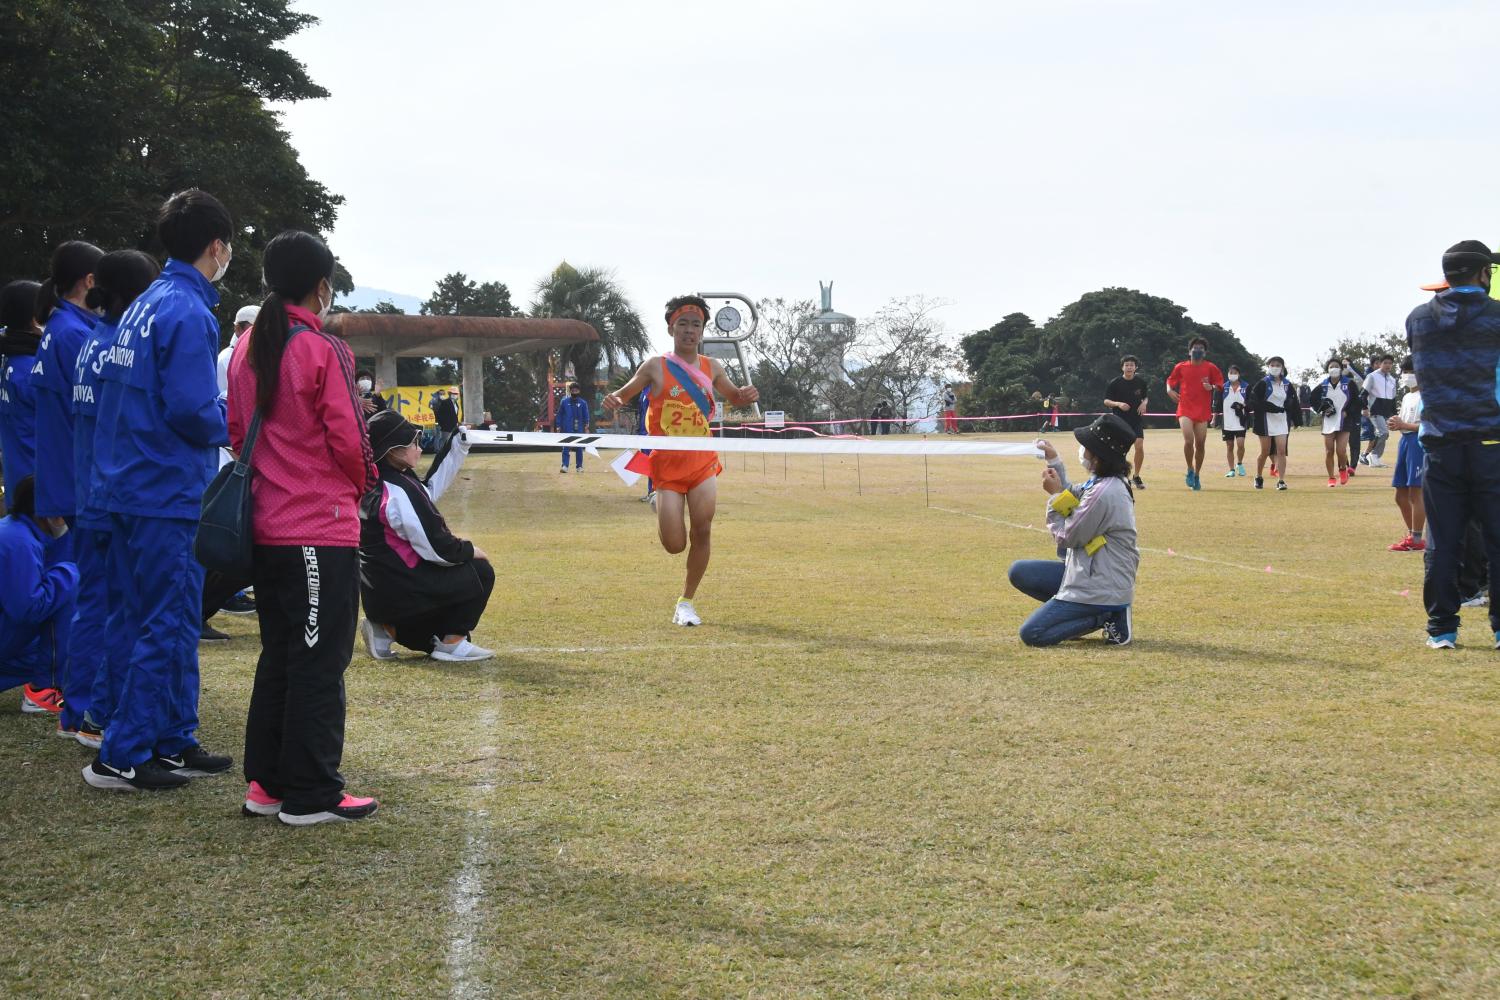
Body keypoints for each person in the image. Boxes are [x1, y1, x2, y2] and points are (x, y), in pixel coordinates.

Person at [225, 229, 379, 824]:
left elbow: (238, 434)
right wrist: (363, 485)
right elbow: (349, 437)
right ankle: (312, 792)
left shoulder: (245, 349)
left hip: (267, 526)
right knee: (318, 662)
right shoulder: (321, 349)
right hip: (318, 527)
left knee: (282, 656)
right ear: (322, 286)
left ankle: (266, 784)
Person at [85, 189, 236, 793]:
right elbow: (194, 411)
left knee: (133, 617)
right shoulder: (189, 312)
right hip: (165, 491)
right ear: (216, 247)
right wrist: (243, 415)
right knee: (168, 622)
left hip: (125, 485)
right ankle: (123, 753)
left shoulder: (148, 302)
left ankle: (170, 739)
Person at [603, 294, 759, 626]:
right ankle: (659, 501)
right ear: (672, 328)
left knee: (703, 530)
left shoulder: (712, 367)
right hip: (666, 466)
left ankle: (686, 602)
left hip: (702, 462)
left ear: (702, 331)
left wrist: (744, 396)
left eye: (696, 325)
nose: (689, 331)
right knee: (675, 544)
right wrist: (614, 399)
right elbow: (625, 393)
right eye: (683, 324)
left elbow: (733, 396)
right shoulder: (655, 366)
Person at [62, 249, 159, 748]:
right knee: (120, 613)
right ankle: (94, 712)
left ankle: (87, 709)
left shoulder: (92, 343)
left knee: (99, 607)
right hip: (113, 497)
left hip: (91, 491)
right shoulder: (121, 345)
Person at [1405, 240, 1500, 650]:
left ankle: (1442, 628)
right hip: (1490, 441)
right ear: (1484, 274)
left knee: (1443, 539)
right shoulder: (1496, 316)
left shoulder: (1418, 320)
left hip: (1440, 444)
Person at [359, 410, 494, 662]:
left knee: (426, 639)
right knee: (481, 570)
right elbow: (438, 548)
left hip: (381, 592)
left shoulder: (380, 482)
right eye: (413, 443)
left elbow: (427, 490)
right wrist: (470, 550)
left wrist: (458, 444)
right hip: (401, 591)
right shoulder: (397, 492)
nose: (419, 449)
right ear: (392, 450)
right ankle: (453, 642)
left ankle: (385, 629)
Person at [1006, 414, 1138, 646]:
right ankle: (1094, 610)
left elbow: (1068, 536)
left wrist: (1055, 497)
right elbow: (1073, 494)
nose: (1082, 450)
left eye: (1087, 446)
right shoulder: (1103, 482)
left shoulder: (1104, 493)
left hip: (1101, 583)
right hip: (1092, 573)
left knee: (1033, 634)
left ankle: (1106, 616)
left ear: (1098, 455)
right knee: (1020, 571)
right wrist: (1053, 460)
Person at [31, 241, 103, 544]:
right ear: (89, 281)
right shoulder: (75, 334)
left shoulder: (61, 326)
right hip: (75, 476)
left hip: (63, 472)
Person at [0, 477, 79, 713]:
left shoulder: (15, 530)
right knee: (67, 586)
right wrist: (69, 573)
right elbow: (29, 609)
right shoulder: (19, 541)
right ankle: (43, 689)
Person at [0, 281, 43, 505]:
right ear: (36, 320)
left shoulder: (8, 353)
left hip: (16, 478)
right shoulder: (33, 370)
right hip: (38, 487)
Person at [1164, 336, 1223, 490]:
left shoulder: (1211, 367)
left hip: (1203, 410)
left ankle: (1197, 474)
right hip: (1185, 408)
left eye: (1201, 348)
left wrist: (1212, 387)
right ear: (1189, 351)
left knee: (1201, 444)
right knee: (1189, 441)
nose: (1197, 350)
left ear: (1205, 352)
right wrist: (1169, 390)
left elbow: (1220, 384)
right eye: (1195, 348)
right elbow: (1170, 381)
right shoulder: (1181, 366)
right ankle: (1189, 469)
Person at [1386, 364, 1425, 552]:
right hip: (1405, 443)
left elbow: (1429, 425)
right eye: (1405, 371)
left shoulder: (1427, 395)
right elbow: (1403, 423)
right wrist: (1395, 423)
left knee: (1416, 492)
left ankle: (1417, 538)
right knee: (1400, 494)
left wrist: (1405, 425)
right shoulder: (1407, 396)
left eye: (1412, 371)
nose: (1408, 375)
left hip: (1418, 444)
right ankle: (1411, 534)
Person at [1249, 356, 1299, 491]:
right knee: (1265, 451)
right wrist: (1270, 407)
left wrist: (1295, 418)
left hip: (1282, 420)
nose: (1275, 367)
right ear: (1268, 367)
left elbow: (1293, 401)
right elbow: (1254, 401)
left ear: (1282, 367)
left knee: (1281, 451)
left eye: (1278, 365)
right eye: (1272, 365)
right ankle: (1258, 476)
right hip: (1265, 421)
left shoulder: (1287, 384)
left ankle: (1281, 480)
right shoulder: (1263, 383)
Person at [1309, 358, 1359, 487]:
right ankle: (1331, 477)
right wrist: (1321, 409)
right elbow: (1313, 399)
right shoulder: (1323, 385)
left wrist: (1348, 411)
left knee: (1341, 450)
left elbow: (1356, 401)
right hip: (1329, 421)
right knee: (1329, 451)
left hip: (1345, 421)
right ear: (1327, 370)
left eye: (1336, 366)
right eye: (1331, 367)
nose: (1334, 369)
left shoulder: (1349, 384)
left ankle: (1343, 469)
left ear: (1341, 369)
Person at [1103, 355, 1149, 489]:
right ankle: (1120, 476)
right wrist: (1118, 404)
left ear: (1136, 367)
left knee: (1139, 446)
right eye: (1127, 365)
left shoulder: (1141, 382)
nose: (1129, 367)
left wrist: (1144, 404)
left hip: (1136, 420)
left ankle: (1136, 476)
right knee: (1120, 450)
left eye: (1132, 365)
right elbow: (1106, 401)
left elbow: (1145, 397)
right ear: (1122, 367)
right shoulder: (1115, 383)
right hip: (1120, 421)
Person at [1214, 364, 1251, 478]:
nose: (1233, 375)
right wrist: (1214, 418)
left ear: (1239, 374)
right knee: (1229, 446)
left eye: (1235, 373)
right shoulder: (1222, 387)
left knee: (1240, 445)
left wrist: (1243, 405)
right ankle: (1231, 470)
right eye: (1231, 373)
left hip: (1241, 422)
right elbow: (1217, 404)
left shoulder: (1246, 387)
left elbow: (1251, 402)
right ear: (1228, 374)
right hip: (1227, 423)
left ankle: (1239, 464)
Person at [1361, 354, 1398, 468]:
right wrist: (1364, 408)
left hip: (1386, 411)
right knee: (1383, 432)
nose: (1387, 365)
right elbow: (1362, 394)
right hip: (1374, 410)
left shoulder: (1392, 380)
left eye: (1390, 363)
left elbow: (1393, 399)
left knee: (1383, 435)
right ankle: (1373, 456)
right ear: (1380, 364)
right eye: (1385, 363)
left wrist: (1395, 414)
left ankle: (1371, 457)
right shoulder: (1372, 376)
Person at [555, 380, 590, 472]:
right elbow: (559, 414)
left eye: (576, 390)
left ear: (579, 391)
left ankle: (579, 467)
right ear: (570, 391)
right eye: (573, 390)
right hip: (567, 428)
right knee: (566, 447)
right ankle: (565, 466)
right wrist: (558, 426)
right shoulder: (564, 402)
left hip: (579, 428)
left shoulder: (583, 403)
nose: (574, 392)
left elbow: (586, 414)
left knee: (579, 447)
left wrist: (587, 424)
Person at [430, 387, 459, 455]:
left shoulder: (456, 404)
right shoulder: (445, 402)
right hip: (446, 427)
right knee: (444, 441)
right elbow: (439, 414)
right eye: (453, 393)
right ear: (449, 394)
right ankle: (440, 454)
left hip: (454, 426)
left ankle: (449, 455)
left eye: (456, 393)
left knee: (452, 441)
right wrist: (442, 424)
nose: (455, 394)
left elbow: (455, 415)